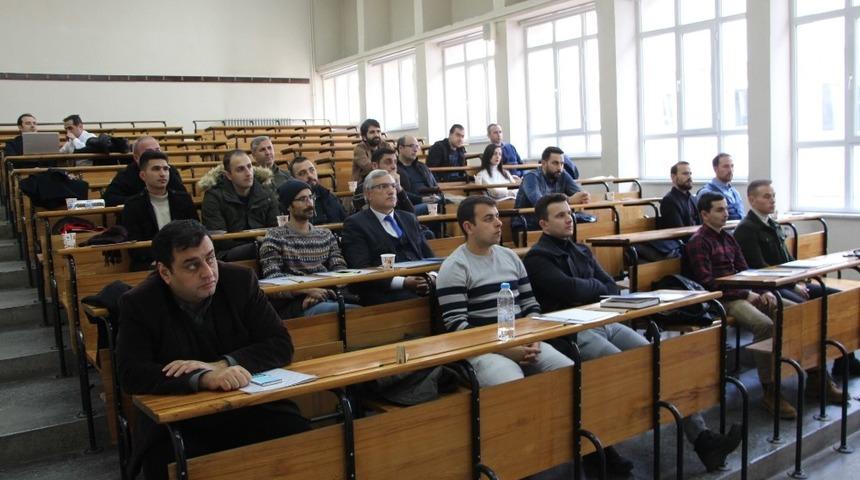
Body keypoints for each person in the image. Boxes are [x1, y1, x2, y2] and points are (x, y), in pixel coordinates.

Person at [524, 193, 742, 473]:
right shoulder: (538, 258)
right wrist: (591, 286)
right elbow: (572, 290)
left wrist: (588, 287)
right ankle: (602, 452)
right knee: (626, 369)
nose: (569, 219)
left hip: (604, 320)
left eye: (569, 213)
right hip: (570, 332)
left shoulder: (580, 250)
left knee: (656, 360)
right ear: (543, 224)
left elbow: (611, 288)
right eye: (560, 215)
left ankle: (702, 438)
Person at [116, 219, 309, 479]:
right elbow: (131, 373)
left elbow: (280, 343)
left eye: (210, 258)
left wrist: (221, 365)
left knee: (295, 430)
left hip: (246, 405)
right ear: (165, 273)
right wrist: (203, 378)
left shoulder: (240, 280)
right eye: (192, 265)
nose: (208, 272)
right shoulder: (139, 303)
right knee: (166, 458)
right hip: (180, 418)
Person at [685, 192, 802, 419]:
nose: (726, 213)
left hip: (744, 292)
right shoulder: (698, 242)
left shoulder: (728, 238)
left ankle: (803, 370)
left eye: (726, 209)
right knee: (764, 325)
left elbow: (746, 270)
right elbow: (708, 283)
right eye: (719, 210)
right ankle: (770, 390)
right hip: (722, 300)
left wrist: (762, 290)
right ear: (704, 214)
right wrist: (746, 293)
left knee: (794, 311)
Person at [436, 195, 574, 386]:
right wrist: (503, 348)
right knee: (511, 381)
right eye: (488, 219)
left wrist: (533, 338)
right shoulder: (455, 266)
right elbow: (457, 325)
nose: (499, 223)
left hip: (522, 339)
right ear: (469, 227)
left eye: (497, 216)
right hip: (480, 349)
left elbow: (530, 305)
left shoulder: (510, 257)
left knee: (568, 370)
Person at [733, 180, 860, 377]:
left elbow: (788, 260)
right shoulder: (747, 229)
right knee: (810, 310)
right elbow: (760, 269)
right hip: (771, 286)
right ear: (752, 200)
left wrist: (801, 279)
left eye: (773, 196)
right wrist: (794, 283)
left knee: (839, 300)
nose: (772, 200)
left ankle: (845, 360)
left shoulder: (772, 224)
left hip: (788, 281)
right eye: (767, 196)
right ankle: (815, 374)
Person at [260, 180, 359, 318]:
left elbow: (339, 267)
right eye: (302, 199)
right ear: (289, 206)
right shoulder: (274, 236)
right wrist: (306, 290)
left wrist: (323, 290)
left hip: (327, 294)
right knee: (353, 313)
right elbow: (273, 279)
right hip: (295, 301)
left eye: (311, 197)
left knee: (364, 309)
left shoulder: (325, 234)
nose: (309, 203)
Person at [341, 169, 436, 305]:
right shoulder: (355, 224)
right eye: (383, 187)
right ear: (368, 194)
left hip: (422, 282)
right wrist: (404, 282)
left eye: (393, 186)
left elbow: (429, 256)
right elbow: (361, 268)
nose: (391, 191)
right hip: (386, 290)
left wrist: (432, 277)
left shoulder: (408, 218)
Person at [120, 151, 197, 270]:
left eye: (166, 169)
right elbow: (134, 245)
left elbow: (196, 232)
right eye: (156, 169)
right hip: (150, 262)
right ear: (143, 175)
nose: (162, 174)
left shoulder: (183, 199)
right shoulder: (133, 205)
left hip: (184, 258)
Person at [200, 150, 279, 259]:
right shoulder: (214, 196)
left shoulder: (266, 193)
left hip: (264, 246)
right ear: (228, 175)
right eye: (240, 169)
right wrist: (255, 243)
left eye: (249, 166)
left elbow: (275, 227)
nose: (248, 173)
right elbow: (219, 239)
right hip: (227, 253)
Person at [513, 146, 590, 231]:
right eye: (555, 163)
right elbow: (540, 203)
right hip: (526, 223)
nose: (559, 167)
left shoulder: (561, 174)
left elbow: (579, 193)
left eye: (562, 163)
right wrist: (569, 200)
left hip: (552, 219)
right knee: (566, 223)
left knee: (587, 219)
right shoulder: (531, 177)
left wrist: (584, 196)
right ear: (544, 163)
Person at [103, 136, 187, 206]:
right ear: (136, 158)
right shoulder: (126, 174)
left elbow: (182, 195)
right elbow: (109, 199)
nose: (155, 154)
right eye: (149, 152)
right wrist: (144, 200)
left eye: (157, 150)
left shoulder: (169, 170)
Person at [642, 161, 700, 260]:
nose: (689, 177)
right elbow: (679, 232)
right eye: (685, 173)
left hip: (696, 240)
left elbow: (701, 224)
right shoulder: (669, 200)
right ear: (673, 177)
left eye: (690, 173)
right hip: (682, 244)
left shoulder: (693, 198)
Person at [352, 147, 415, 214]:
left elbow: (411, 215)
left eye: (395, 162)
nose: (394, 166)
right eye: (388, 162)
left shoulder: (398, 182)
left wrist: (399, 189)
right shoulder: (364, 188)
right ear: (375, 166)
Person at [287, 156, 347, 225]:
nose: (309, 175)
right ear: (293, 179)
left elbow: (345, 222)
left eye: (311, 170)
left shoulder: (330, 197)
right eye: (302, 173)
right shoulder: (291, 204)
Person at [397, 135, 442, 212]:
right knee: (434, 205)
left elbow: (436, 187)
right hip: (411, 206)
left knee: (458, 202)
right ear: (401, 148)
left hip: (431, 200)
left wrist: (437, 196)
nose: (415, 150)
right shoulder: (395, 169)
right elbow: (399, 194)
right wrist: (422, 199)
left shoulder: (422, 167)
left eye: (417, 146)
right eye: (412, 146)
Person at [698, 153, 744, 220]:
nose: (730, 170)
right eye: (726, 166)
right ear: (715, 169)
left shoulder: (735, 193)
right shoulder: (707, 192)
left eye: (732, 166)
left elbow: (742, 217)